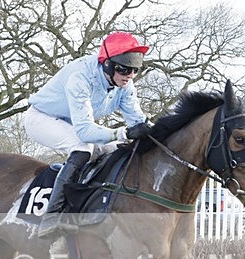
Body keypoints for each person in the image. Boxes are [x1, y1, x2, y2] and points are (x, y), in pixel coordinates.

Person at [24, 31, 153, 238]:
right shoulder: (81, 76)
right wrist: (123, 132)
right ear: (108, 65)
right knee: (82, 149)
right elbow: (84, 131)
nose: (129, 76)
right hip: (41, 119)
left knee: (116, 151)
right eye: (124, 69)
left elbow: (138, 121)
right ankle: (51, 218)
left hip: (72, 124)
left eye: (134, 70)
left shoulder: (125, 85)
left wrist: (158, 131)